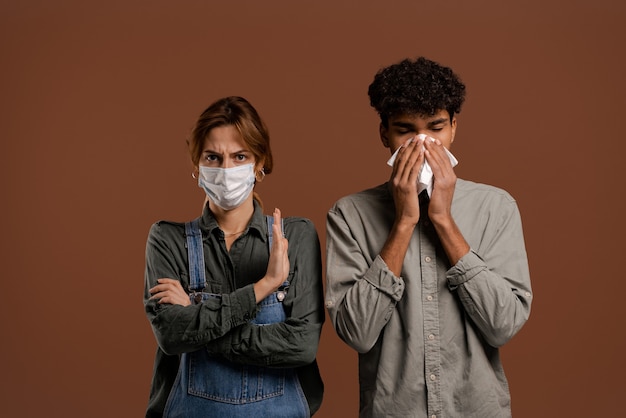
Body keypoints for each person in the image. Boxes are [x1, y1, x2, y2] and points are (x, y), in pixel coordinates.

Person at [325, 57, 532, 417]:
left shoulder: (495, 207)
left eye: (435, 128)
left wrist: (443, 220)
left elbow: (503, 325)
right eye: (405, 130)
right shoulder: (350, 214)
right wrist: (404, 222)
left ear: (454, 128)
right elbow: (357, 333)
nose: (422, 143)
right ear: (384, 134)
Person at [144, 96, 324, 417]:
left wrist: (198, 321)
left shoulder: (294, 236)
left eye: (239, 156)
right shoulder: (167, 239)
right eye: (213, 157)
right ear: (197, 167)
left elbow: (302, 345)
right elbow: (171, 336)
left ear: (259, 164)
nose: (226, 170)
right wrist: (265, 286)